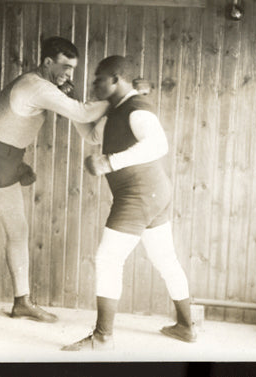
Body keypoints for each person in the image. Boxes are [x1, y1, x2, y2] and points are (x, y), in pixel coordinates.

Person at [0, 37, 110, 329]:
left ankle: (22, 302)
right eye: (65, 67)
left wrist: (107, 110)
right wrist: (117, 96)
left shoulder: (52, 87)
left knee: (18, 232)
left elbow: (89, 134)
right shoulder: (35, 86)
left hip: (8, 164)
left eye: (73, 70)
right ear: (47, 62)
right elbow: (82, 112)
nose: (68, 75)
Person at [62, 55, 196, 351]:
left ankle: (102, 337)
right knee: (165, 259)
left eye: (98, 79)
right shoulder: (117, 110)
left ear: (116, 79)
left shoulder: (136, 109)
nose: (94, 84)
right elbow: (91, 136)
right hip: (153, 193)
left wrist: (110, 162)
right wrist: (70, 107)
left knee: (108, 259)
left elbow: (158, 144)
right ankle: (186, 327)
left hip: (140, 194)